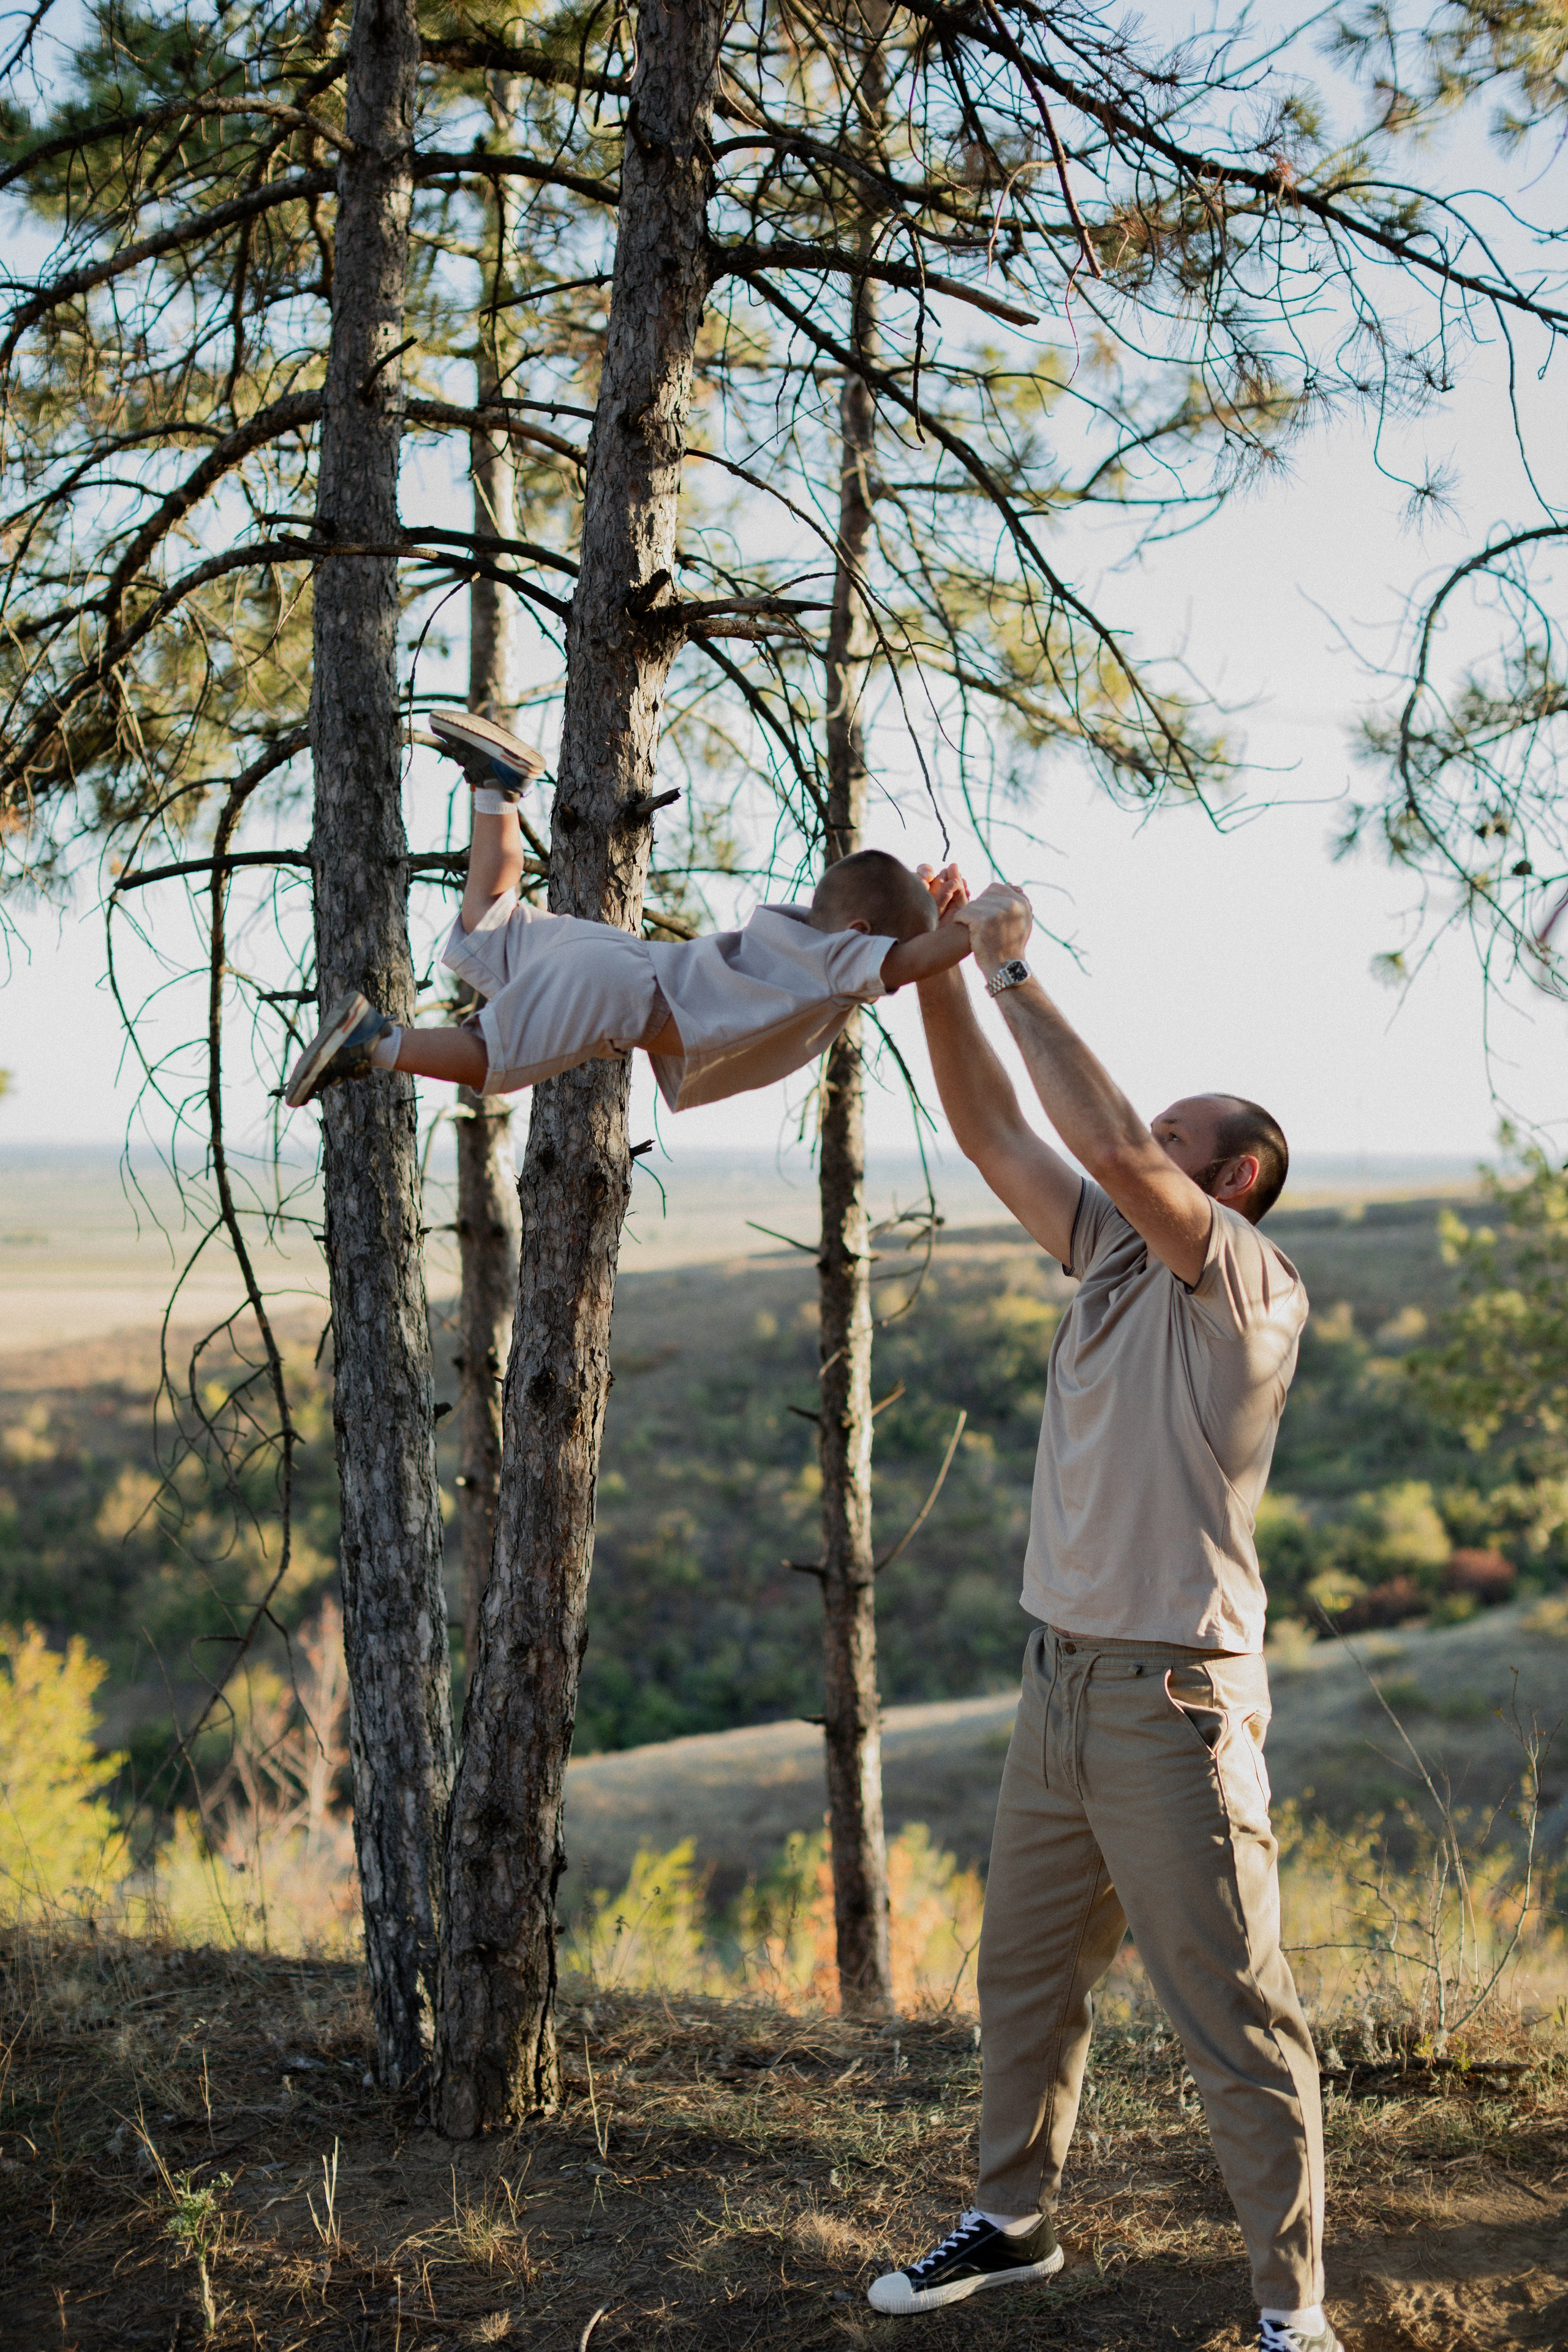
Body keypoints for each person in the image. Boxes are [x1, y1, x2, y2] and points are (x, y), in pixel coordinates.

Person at [865, 868, 1339, 2352]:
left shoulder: (1244, 1282)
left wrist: (1016, 970)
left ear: (1233, 1177)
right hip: (1058, 1683)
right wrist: (935, 965)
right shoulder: (1109, 1257)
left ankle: (1289, 2308)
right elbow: (993, 1128)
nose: (1152, 1140)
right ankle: (1009, 2224)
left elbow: (1103, 1138)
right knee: (1020, 1982)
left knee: (1231, 2016)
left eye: (1182, 1135)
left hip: (1171, 1698)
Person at [283, 710, 974, 1113]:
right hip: (621, 994)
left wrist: (915, 907)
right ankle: (375, 1043)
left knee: (491, 916)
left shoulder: (800, 934)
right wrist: (974, 932)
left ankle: (498, 789)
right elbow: (908, 955)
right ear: (860, 940)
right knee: (495, 1057)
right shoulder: (834, 964)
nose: (889, 981)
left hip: (617, 957)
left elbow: (875, 912)